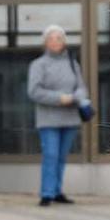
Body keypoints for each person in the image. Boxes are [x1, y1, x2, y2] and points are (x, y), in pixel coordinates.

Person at [27, 24, 90, 207]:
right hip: (48, 120)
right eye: (51, 38)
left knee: (61, 157)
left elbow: (81, 86)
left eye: (59, 38)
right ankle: (46, 193)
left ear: (64, 41)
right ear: (45, 42)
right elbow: (34, 91)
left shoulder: (72, 63)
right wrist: (59, 98)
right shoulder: (38, 65)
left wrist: (77, 96)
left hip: (69, 118)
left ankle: (56, 192)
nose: (55, 41)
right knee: (51, 155)